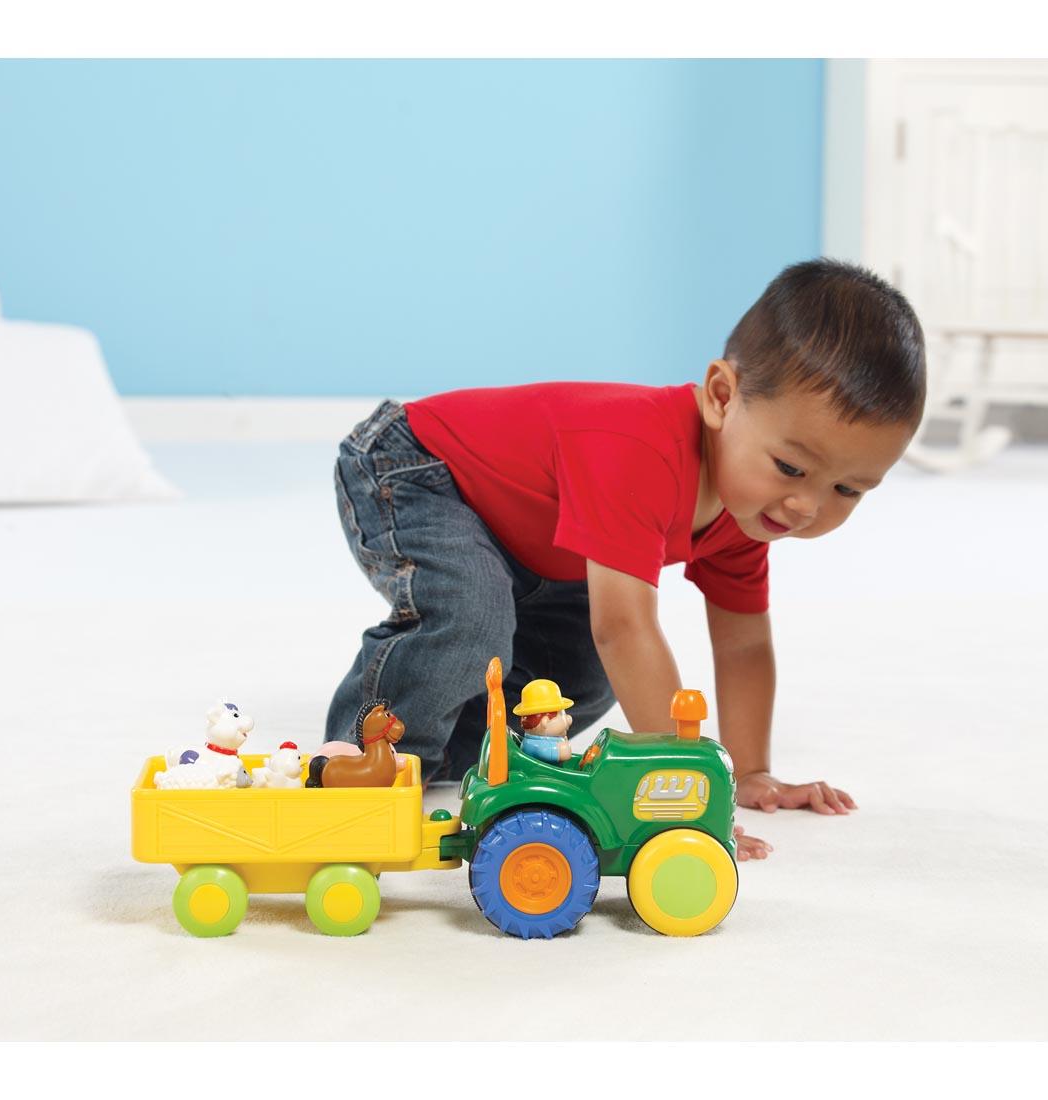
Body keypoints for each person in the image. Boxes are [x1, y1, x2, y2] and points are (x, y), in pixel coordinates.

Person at [325, 258, 926, 860]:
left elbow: (743, 644)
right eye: (790, 467)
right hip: (415, 468)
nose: (805, 505)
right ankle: (360, 765)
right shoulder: (641, 449)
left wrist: (748, 772)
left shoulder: (751, 512)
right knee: (470, 615)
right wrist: (688, 796)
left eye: (847, 489)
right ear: (722, 396)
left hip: (531, 551)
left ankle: (457, 746)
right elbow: (623, 626)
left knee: (577, 679)